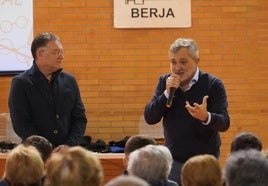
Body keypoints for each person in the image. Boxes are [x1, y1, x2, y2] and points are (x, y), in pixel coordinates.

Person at [144, 37, 230, 185]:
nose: (177, 68)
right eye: (173, 62)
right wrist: (166, 93)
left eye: (183, 62)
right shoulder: (165, 82)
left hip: (204, 162)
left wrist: (206, 117)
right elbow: (150, 117)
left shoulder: (213, 84)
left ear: (196, 61)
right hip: (173, 162)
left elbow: (224, 122)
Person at [8, 32, 87, 153]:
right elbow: (21, 123)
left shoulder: (69, 81)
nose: (61, 56)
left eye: (62, 52)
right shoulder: (21, 83)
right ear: (40, 54)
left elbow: (80, 119)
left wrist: (68, 145)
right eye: (56, 52)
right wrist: (46, 149)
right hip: (36, 156)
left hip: (66, 156)